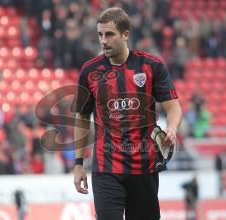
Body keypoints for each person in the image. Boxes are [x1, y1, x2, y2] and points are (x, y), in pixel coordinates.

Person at [73, 7, 182, 220]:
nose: (103, 41)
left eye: (109, 34)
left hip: (144, 166)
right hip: (107, 168)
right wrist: (78, 164)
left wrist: (172, 127)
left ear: (125, 34)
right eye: (100, 35)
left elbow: (173, 107)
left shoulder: (151, 66)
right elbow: (82, 117)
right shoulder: (89, 71)